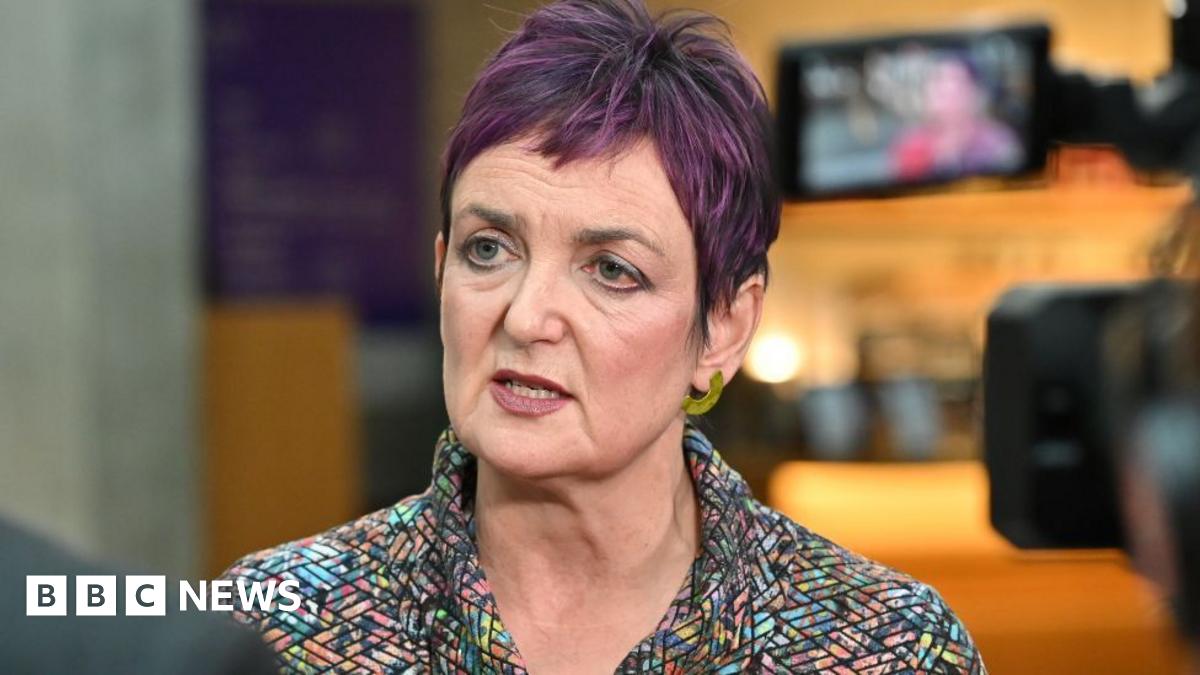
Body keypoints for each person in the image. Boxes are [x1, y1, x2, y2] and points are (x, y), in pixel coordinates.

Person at [222, 1, 986, 672]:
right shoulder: (269, 627)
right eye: (488, 248)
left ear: (723, 326)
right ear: (440, 266)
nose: (525, 317)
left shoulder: (886, 646)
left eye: (611, 270)